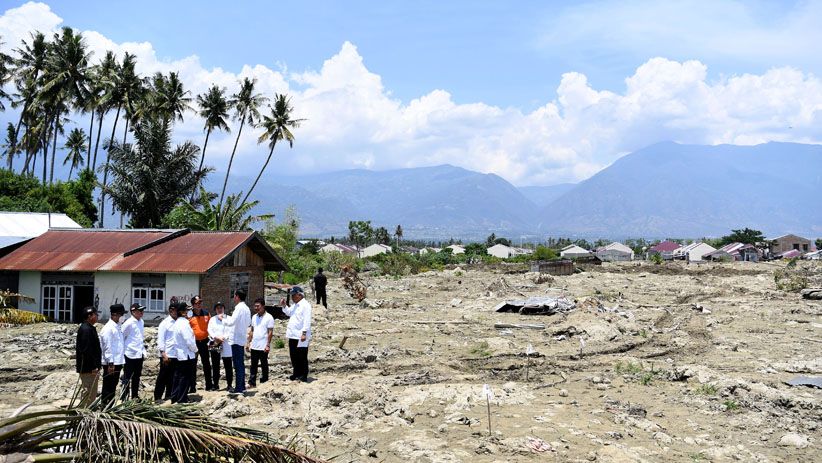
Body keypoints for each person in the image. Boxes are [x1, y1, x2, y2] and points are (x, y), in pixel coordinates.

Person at [220, 289, 251, 393]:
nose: (234, 298)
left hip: (236, 339)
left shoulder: (238, 308)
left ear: (237, 297)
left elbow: (232, 322)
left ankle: (239, 388)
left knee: (238, 364)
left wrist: (222, 320)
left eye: (234, 296)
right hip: (241, 338)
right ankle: (241, 386)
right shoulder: (247, 308)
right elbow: (248, 323)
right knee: (240, 363)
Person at [283, 287, 312, 382]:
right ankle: (296, 373)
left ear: (299, 295)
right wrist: (284, 306)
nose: (292, 297)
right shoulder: (295, 305)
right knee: (294, 356)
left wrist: (304, 333)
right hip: (293, 334)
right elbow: (288, 313)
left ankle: (303, 374)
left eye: (293, 295)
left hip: (301, 335)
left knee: (302, 356)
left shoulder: (305, 305)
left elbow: (307, 321)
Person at [99, 303, 126, 407]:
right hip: (111, 363)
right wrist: (110, 363)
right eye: (121, 315)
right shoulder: (108, 328)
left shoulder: (118, 327)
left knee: (113, 386)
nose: (123, 317)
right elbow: (107, 347)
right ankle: (105, 406)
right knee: (108, 387)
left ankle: (110, 406)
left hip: (117, 361)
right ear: (115, 315)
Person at [170, 302, 198, 403]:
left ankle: (175, 397)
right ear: (182, 312)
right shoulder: (184, 323)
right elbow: (189, 340)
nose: (189, 312)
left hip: (180, 354)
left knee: (178, 377)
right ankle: (182, 399)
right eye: (187, 310)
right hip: (186, 355)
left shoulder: (177, 322)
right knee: (184, 378)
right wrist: (195, 350)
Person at [75, 306, 101, 407]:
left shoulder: (89, 328)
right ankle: (84, 416)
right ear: (90, 316)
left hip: (91, 369)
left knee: (92, 394)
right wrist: (93, 366)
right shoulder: (86, 329)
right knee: (88, 394)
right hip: (88, 369)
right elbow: (86, 351)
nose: (97, 317)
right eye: (95, 314)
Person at [120, 303, 146, 400]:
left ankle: (134, 396)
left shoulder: (141, 322)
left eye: (142, 310)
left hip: (139, 353)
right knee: (127, 377)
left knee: (136, 377)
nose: (142, 312)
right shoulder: (128, 323)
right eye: (140, 311)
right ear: (133, 311)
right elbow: (122, 336)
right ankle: (125, 397)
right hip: (129, 354)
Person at [247, 298, 274, 387]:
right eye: (255, 306)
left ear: (263, 306)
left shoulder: (269, 317)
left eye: (258, 306)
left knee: (264, 364)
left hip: (263, 345)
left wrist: (268, 345)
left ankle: (265, 380)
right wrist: (248, 342)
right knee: (253, 365)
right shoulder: (254, 317)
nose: (256, 308)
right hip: (254, 345)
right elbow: (252, 330)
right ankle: (252, 382)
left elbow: (270, 332)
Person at [154, 304, 178, 401]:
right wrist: (163, 354)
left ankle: (169, 395)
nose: (177, 312)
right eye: (175, 310)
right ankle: (158, 396)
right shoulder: (165, 323)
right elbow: (161, 340)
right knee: (163, 376)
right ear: (171, 311)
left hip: (175, 354)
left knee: (172, 376)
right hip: (167, 354)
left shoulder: (179, 322)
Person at [188, 296, 213, 392]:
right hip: (194, 343)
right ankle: (192, 387)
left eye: (200, 303)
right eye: (197, 303)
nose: (199, 305)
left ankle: (209, 386)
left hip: (205, 342)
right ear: (193, 305)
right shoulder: (189, 316)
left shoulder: (207, 314)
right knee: (192, 365)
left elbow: (211, 327)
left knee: (206, 364)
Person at [207, 302, 233, 391]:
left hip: (226, 343)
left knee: (228, 364)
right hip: (215, 343)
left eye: (221, 307)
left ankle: (229, 385)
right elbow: (209, 330)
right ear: (215, 309)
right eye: (217, 308)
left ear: (224, 308)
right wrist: (215, 337)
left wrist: (223, 338)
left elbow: (231, 330)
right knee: (215, 364)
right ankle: (216, 384)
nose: (219, 309)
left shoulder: (229, 318)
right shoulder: (212, 319)